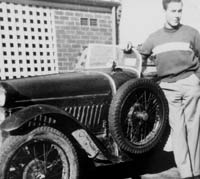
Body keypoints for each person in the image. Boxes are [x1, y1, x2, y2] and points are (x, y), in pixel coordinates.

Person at [126, 0, 200, 178]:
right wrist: (128, 49)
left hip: (190, 84)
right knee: (178, 130)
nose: (177, 15)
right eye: (173, 11)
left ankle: (196, 171)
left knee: (194, 128)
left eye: (179, 11)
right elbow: (139, 56)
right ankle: (186, 173)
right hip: (168, 88)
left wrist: (197, 78)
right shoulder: (154, 38)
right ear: (165, 11)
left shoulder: (191, 33)